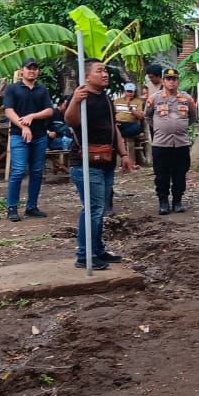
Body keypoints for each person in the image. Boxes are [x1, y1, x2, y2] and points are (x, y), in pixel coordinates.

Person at [64, 59, 133, 270]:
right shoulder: (82, 98)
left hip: (106, 160)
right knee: (93, 208)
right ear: (87, 76)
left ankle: (97, 249)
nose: (105, 74)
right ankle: (84, 255)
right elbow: (70, 121)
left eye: (105, 70)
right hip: (85, 162)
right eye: (99, 71)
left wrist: (124, 153)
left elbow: (114, 128)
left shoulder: (105, 98)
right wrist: (75, 101)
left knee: (99, 208)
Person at [2, 58, 54, 222]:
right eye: (29, 68)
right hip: (19, 135)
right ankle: (12, 207)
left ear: (38, 71)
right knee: (18, 171)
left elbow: (49, 111)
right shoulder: (13, 89)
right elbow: (8, 111)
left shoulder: (42, 90)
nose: (32, 71)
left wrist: (33, 116)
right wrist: (24, 126)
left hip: (39, 136)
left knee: (37, 172)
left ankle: (32, 206)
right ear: (22, 70)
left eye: (35, 68)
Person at [147, 67, 198, 215]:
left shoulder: (187, 99)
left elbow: (193, 117)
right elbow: (148, 116)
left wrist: (178, 127)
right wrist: (161, 127)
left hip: (181, 143)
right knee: (161, 175)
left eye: (174, 79)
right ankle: (163, 202)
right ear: (163, 81)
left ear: (178, 81)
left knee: (180, 173)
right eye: (168, 79)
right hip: (161, 144)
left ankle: (177, 201)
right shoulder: (155, 98)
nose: (171, 82)